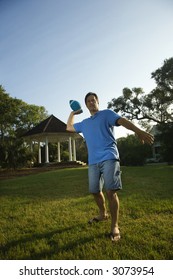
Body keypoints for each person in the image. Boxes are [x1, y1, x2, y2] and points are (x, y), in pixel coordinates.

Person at [66, 92, 154, 241]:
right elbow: (68, 127)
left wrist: (138, 131)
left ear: (97, 102)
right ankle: (102, 214)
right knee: (94, 190)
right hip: (93, 161)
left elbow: (122, 120)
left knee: (110, 191)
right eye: (88, 101)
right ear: (86, 105)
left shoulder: (106, 114)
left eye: (93, 100)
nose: (91, 102)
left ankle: (114, 225)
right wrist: (73, 112)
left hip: (109, 157)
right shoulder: (85, 123)